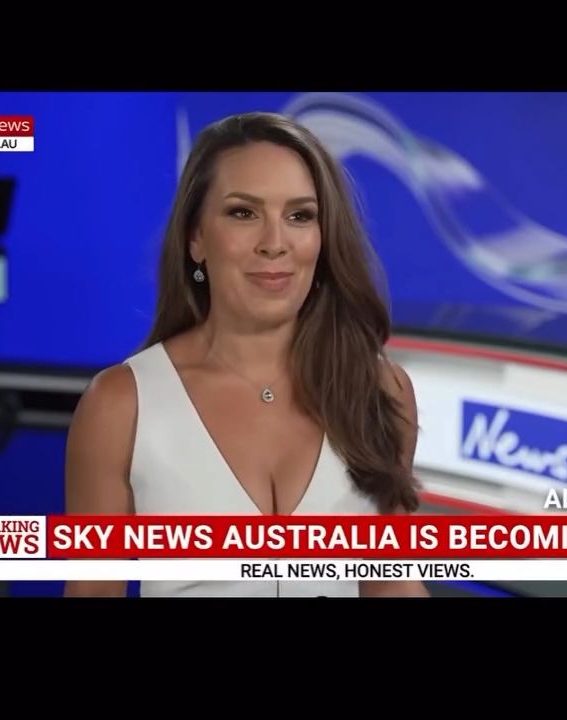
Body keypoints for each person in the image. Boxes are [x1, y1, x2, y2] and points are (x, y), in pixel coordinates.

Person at [63, 111, 430, 597]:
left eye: (300, 216)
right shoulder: (119, 406)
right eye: (243, 213)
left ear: (323, 238)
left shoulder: (382, 391)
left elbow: (394, 585)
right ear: (196, 238)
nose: (275, 244)